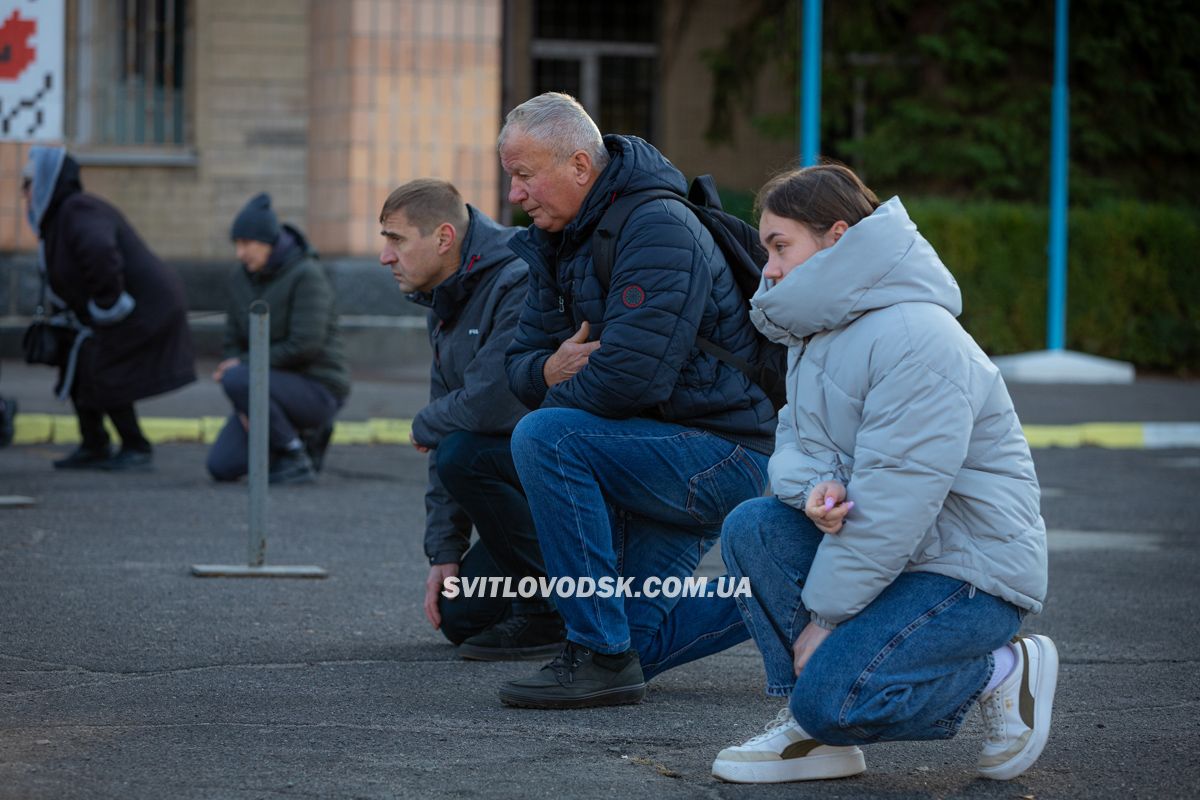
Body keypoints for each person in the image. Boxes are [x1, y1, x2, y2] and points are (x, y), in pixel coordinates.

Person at [711, 164, 1055, 784]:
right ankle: (821, 734)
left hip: (966, 576)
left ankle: (1001, 670)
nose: (770, 267)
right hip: (898, 561)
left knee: (833, 699)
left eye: (781, 245)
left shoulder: (917, 337)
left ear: (837, 237)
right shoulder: (820, 337)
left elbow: (898, 500)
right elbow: (788, 447)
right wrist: (814, 489)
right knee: (754, 526)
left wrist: (827, 619)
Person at [495, 93, 777, 709]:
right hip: (652, 447)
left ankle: (595, 653)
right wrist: (549, 366)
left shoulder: (657, 226)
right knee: (636, 648)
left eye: (523, 175)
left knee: (547, 437)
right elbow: (514, 367)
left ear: (578, 165)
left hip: (720, 453)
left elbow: (630, 379)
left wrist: (550, 385)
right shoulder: (560, 240)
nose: (514, 195)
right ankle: (790, 592)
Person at [378, 179, 564, 660]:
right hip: (522, 478)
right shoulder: (444, 296)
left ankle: (556, 609)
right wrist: (444, 550)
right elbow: (452, 422)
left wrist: (423, 424)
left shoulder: (517, 278)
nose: (384, 256)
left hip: (570, 480)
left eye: (395, 239)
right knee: (459, 617)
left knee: (464, 453)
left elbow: (493, 402)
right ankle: (559, 596)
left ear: (443, 238)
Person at [23, 146, 195, 470]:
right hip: (119, 307)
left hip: (143, 307)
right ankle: (94, 444)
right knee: (80, 364)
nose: (26, 193)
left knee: (104, 367)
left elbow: (100, 252)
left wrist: (107, 304)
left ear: (50, 181)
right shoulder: (59, 219)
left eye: (30, 183)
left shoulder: (78, 209)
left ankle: (136, 447)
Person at [206, 193, 350, 485]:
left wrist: (244, 374)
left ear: (269, 243)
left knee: (237, 378)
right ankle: (296, 437)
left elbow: (305, 345)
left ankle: (293, 452)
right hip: (266, 385)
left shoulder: (306, 275)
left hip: (317, 387)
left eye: (247, 244)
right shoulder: (240, 278)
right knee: (221, 465)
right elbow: (232, 339)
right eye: (237, 244)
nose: (240, 253)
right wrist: (248, 401)